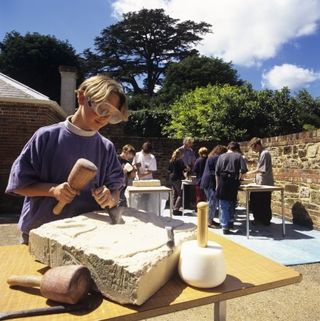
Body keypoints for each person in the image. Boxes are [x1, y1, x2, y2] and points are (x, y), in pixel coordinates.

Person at [5, 75, 128, 244]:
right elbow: (19, 185)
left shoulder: (106, 147)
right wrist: (53, 190)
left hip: (85, 236)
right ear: (82, 97)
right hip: (40, 233)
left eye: (112, 115)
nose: (104, 118)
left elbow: (116, 191)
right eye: (102, 109)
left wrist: (109, 197)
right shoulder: (46, 137)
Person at [215, 142, 248, 234]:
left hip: (223, 181)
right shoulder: (239, 156)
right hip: (233, 181)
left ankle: (225, 226)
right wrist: (241, 179)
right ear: (237, 149)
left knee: (223, 205)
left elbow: (217, 173)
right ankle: (230, 222)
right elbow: (244, 170)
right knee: (232, 203)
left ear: (229, 148)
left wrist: (217, 185)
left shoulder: (221, 157)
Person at [247, 137, 274, 225]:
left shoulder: (265, 153)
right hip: (260, 183)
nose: (253, 150)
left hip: (265, 183)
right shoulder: (261, 153)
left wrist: (248, 173)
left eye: (253, 148)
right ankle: (258, 219)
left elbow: (262, 169)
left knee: (264, 202)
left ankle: (265, 221)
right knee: (255, 200)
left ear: (257, 145)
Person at [201, 145, 227, 227]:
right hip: (210, 182)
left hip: (206, 181)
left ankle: (210, 219)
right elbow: (217, 171)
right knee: (212, 202)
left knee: (211, 201)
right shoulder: (217, 158)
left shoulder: (211, 156)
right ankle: (209, 221)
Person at [168, 149, 186, 216]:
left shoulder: (171, 160)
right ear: (180, 154)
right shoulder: (180, 161)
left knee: (174, 194)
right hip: (177, 178)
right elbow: (184, 169)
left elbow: (169, 169)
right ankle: (176, 209)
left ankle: (173, 208)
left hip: (171, 178)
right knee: (180, 194)